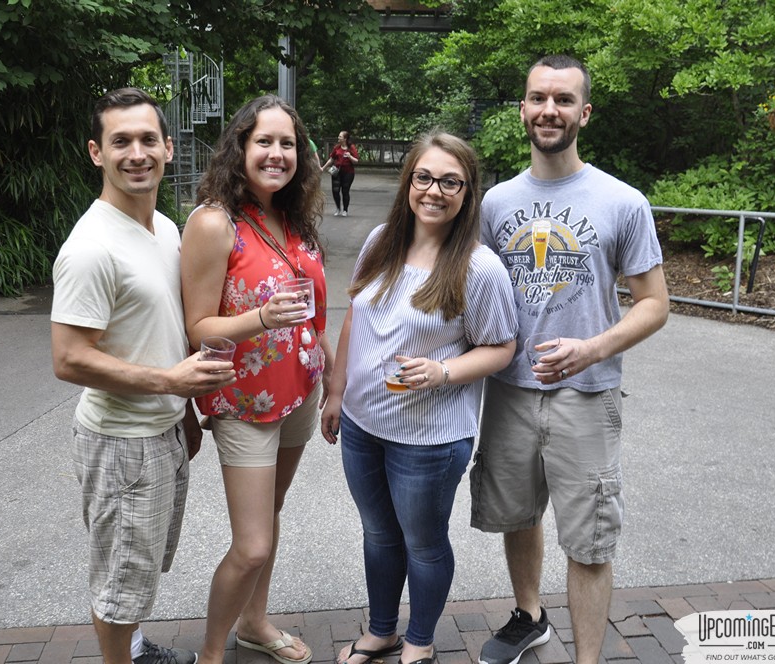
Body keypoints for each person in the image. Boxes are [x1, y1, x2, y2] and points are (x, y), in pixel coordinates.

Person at [472, 55, 670, 664]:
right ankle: (528, 617)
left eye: (562, 100)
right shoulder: (495, 204)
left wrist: (591, 350)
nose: (548, 111)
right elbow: (471, 292)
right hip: (508, 390)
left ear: (584, 112)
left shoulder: (622, 201)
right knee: (517, 513)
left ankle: (587, 659)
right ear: (523, 109)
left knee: (589, 540)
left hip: (586, 395)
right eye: (538, 99)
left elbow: (654, 304)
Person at [50, 88, 236, 664]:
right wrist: (170, 386)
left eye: (147, 140)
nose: (136, 153)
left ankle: (131, 646)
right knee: (121, 581)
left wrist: (184, 413)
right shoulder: (91, 247)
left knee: (139, 562)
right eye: (120, 142)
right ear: (95, 153)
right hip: (120, 443)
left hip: (159, 431)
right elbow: (69, 359)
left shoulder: (163, 227)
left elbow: (162, 332)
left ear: (168, 148)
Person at [320, 131, 518, 664]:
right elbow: (357, 316)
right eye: (424, 177)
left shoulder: (480, 268)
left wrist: (445, 370)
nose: (434, 190)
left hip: (428, 440)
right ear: (409, 181)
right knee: (379, 535)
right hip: (363, 426)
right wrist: (336, 390)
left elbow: (501, 347)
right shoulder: (382, 239)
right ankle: (382, 631)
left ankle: (420, 642)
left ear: (467, 192)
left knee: (424, 544)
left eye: (450, 181)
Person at [180, 95, 332, 664]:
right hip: (244, 401)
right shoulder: (214, 222)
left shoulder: (292, 219)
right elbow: (197, 327)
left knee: (270, 516)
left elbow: (314, 317)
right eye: (263, 141)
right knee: (252, 545)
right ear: (240, 147)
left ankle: (254, 623)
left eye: (287, 143)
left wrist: (331, 379)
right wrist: (261, 318)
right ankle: (212, 653)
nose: (276, 153)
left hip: (300, 391)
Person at [321, 130, 359, 217]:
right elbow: (331, 159)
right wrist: (323, 168)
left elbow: (356, 161)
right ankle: (338, 208)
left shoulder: (351, 147)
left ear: (345, 139)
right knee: (335, 190)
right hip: (336, 172)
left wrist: (350, 156)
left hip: (348, 173)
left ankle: (345, 210)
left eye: (340, 136)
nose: (338, 138)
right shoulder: (337, 148)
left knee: (345, 191)